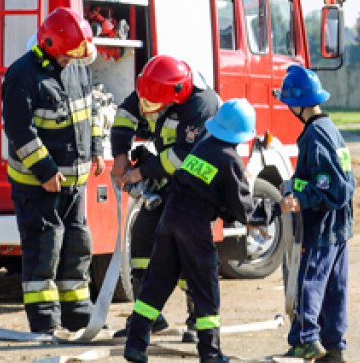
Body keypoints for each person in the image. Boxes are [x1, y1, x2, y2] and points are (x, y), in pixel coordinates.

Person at [123, 98, 288, 363]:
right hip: (195, 226)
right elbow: (244, 209)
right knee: (205, 288)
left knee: (156, 283)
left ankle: (135, 345)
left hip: (170, 218)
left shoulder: (202, 147)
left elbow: (214, 195)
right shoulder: (230, 158)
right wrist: (279, 207)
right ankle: (210, 354)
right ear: (242, 133)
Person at [1, 6, 107, 334]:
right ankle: (45, 325)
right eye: (65, 56)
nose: (69, 62)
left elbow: (91, 110)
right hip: (37, 185)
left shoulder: (76, 67)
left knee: (77, 249)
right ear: (49, 45)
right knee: (44, 251)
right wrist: (45, 171)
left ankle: (79, 317)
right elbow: (20, 132)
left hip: (74, 184)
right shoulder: (22, 75)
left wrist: (97, 149)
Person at [109, 55, 221, 340]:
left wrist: (141, 172)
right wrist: (121, 154)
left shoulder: (202, 104)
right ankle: (147, 317)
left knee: (191, 256)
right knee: (143, 242)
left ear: (176, 95)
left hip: (194, 191)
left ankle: (198, 322)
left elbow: (184, 156)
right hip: (162, 184)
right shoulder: (157, 86)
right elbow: (126, 113)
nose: (148, 108)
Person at [277, 65, 355, 363]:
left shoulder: (315, 135)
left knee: (309, 279)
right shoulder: (330, 128)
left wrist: (302, 198)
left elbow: (328, 184)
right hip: (339, 224)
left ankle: (305, 340)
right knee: (335, 285)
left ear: (298, 103)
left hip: (322, 223)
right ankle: (334, 346)